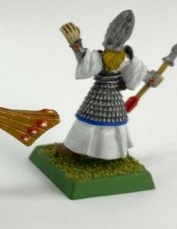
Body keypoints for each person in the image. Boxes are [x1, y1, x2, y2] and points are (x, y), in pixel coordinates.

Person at [57, 9, 161, 161]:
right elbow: (138, 72)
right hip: (111, 97)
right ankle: (105, 151)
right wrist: (151, 78)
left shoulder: (108, 58)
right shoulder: (125, 58)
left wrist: (76, 44)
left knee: (88, 121)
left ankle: (80, 151)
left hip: (99, 95)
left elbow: (85, 57)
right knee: (107, 122)